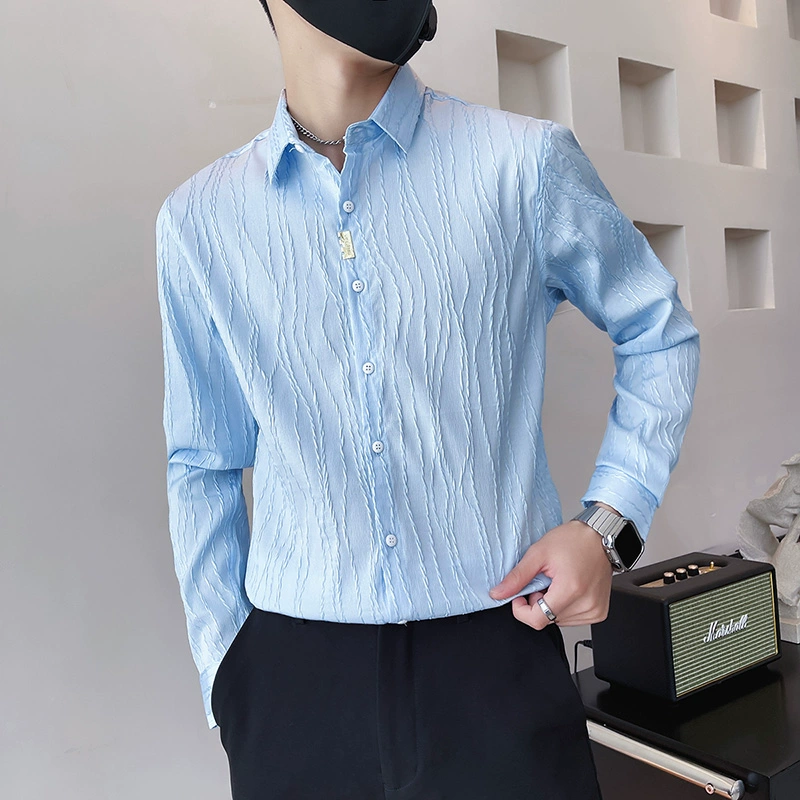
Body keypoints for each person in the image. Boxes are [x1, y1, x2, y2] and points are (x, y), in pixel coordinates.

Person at [154, 1, 700, 797]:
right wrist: (227, 674)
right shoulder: (200, 220)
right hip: (288, 685)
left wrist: (607, 525)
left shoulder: (523, 163)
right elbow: (202, 460)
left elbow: (657, 330)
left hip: (496, 659)